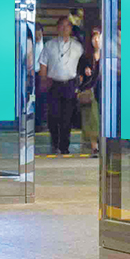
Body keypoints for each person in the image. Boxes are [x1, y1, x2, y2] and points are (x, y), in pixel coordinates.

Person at [36, 15, 85, 156]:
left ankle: (64, 146)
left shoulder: (77, 46)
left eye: (67, 26)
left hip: (70, 84)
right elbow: (43, 64)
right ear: (57, 28)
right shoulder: (49, 45)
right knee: (53, 115)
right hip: (53, 84)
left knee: (67, 117)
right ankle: (55, 141)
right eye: (62, 26)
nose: (64, 29)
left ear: (70, 29)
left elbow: (83, 64)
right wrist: (44, 80)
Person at [77, 26, 103, 157]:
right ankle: (94, 147)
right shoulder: (85, 57)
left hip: (104, 92)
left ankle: (102, 144)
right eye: (94, 37)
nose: (97, 40)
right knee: (92, 119)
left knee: (101, 119)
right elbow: (80, 76)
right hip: (91, 92)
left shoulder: (107, 56)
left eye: (99, 36)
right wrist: (85, 73)